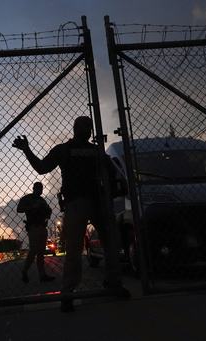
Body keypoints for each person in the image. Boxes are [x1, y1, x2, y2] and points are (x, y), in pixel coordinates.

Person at [12, 116, 126, 312]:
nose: (88, 129)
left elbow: (112, 170)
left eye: (90, 126)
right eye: (85, 126)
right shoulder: (67, 150)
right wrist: (26, 150)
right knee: (74, 249)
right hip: (77, 203)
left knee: (112, 243)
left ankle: (111, 282)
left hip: (97, 202)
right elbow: (42, 168)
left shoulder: (93, 150)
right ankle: (68, 293)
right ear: (74, 128)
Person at [17, 182, 56, 283]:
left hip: (42, 226)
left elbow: (48, 213)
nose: (40, 190)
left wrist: (46, 208)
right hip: (33, 226)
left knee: (41, 252)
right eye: (38, 188)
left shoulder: (42, 200)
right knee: (34, 250)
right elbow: (19, 209)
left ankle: (42, 275)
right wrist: (33, 206)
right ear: (33, 188)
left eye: (41, 188)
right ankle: (25, 271)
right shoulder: (27, 198)